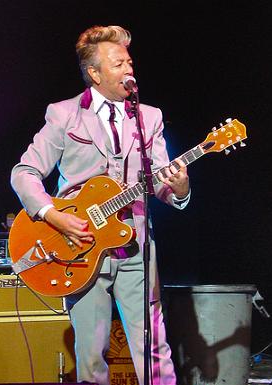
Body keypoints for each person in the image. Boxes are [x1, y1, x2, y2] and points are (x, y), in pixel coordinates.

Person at [11, 25, 190, 385]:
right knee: (92, 357)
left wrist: (180, 189)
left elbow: (157, 183)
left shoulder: (149, 117)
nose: (129, 69)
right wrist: (52, 215)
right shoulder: (64, 114)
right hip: (79, 247)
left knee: (154, 348)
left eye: (129, 61)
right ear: (94, 73)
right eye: (118, 63)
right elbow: (24, 172)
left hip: (136, 246)